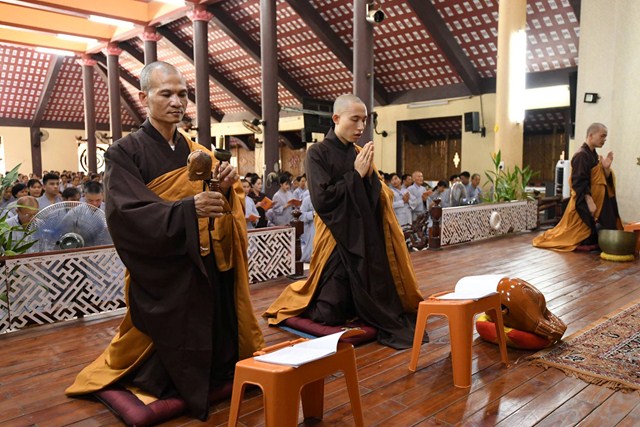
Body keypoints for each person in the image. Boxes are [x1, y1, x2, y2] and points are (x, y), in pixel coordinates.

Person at [65, 61, 264, 420]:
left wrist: (225, 188)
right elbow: (127, 213)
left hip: (203, 255)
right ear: (144, 98)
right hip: (163, 262)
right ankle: (169, 378)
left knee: (212, 317)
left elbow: (218, 201)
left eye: (183, 94)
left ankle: (211, 370)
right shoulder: (124, 152)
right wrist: (187, 209)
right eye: (166, 94)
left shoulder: (197, 150)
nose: (177, 102)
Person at [264, 94, 424, 349]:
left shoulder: (359, 152)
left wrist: (369, 179)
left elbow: (377, 196)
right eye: (355, 119)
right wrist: (356, 175)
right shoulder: (317, 153)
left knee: (382, 304)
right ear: (336, 118)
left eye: (364, 120)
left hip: (363, 236)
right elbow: (323, 200)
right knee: (329, 313)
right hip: (336, 239)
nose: (361, 127)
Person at [533, 123, 622, 251]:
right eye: (602, 136)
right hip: (583, 202)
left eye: (605, 137)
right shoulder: (581, 155)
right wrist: (589, 201)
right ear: (591, 135)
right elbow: (579, 182)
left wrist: (606, 169)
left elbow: (599, 178)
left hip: (598, 200)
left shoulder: (593, 155)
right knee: (580, 235)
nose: (604, 139)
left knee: (607, 227)